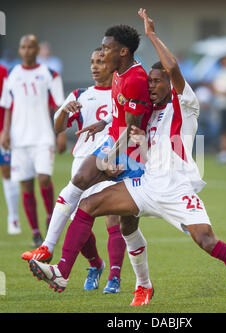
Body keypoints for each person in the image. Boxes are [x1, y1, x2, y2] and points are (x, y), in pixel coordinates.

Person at [28, 9, 226, 310]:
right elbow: (142, 144)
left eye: (157, 81)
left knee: (207, 241)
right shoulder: (149, 115)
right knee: (89, 204)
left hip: (176, 189)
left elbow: (173, 67)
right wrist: (124, 141)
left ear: (170, 83)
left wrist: (151, 35)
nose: (151, 86)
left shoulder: (185, 103)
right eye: (149, 81)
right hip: (146, 185)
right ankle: (64, 273)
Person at [26, 23, 152, 281]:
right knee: (81, 196)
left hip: (129, 154)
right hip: (112, 145)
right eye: (98, 53)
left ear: (124, 51)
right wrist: (103, 123)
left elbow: (133, 127)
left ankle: (129, 279)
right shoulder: (112, 77)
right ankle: (52, 256)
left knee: (123, 224)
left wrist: (111, 157)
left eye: (106, 50)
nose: (101, 57)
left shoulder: (135, 78)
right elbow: (118, 116)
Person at [22, 48, 126, 293]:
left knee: (114, 219)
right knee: (78, 221)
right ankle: (95, 264)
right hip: (82, 163)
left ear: (111, 64)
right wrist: (65, 112)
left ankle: (114, 277)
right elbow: (58, 127)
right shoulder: (80, 94)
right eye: (92, 62)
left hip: (110, 162)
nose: (94, 66)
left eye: (100, 61)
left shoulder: (120, 93)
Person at [1, 35, 65, 247]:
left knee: (44, 179)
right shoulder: (12, 73)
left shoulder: (49, 74)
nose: (27, 50)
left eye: (31, 47)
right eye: (23, 47)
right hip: (19, 139)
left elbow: (59, 106)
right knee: (26, 184)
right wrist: (6, 132)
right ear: (20, 50)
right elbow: (8, 106)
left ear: (37, 49)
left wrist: (61, 133)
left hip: (43, 137)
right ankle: (35, 233)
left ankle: (50, 219)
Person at [0, 63, 20, 234]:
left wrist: (6, 130)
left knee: (7, 171)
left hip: (2, 130)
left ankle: (13, 217)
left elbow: (8, 103)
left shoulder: (3, 72)